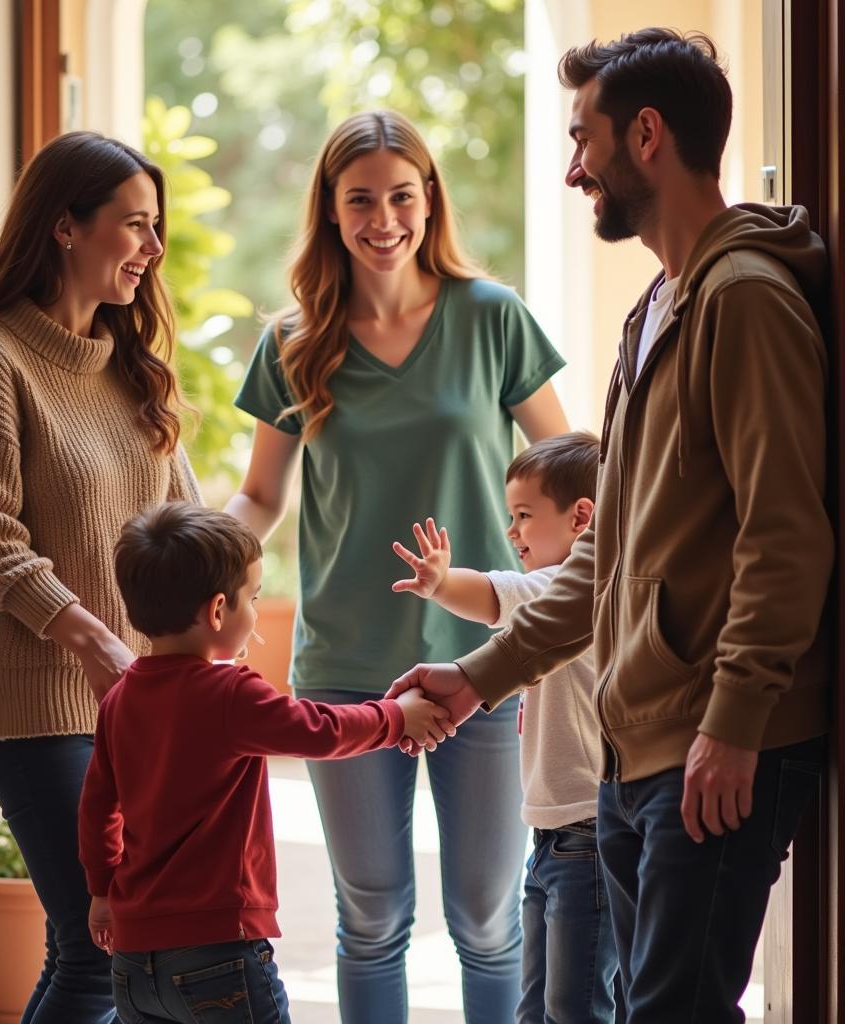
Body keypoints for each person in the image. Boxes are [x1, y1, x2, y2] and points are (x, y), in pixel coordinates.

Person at [389, 29, 832, 1024]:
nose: (570, 166)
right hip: (631, 753)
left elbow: (785, 535)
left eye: (581, 137)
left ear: (644, 135)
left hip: (710, 747)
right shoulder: (652, 312)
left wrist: (733, 719)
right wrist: (478, 676)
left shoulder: (748, 300)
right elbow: (603, 556)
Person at [226, 109, 569, 1023]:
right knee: (371, 915)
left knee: (489, 916)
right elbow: (261, 496)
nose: (385, 219)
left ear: (430, 201)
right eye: (361, 200)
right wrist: (210, 555)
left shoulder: (493, 318)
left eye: (402, 196)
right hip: (344, 662)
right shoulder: (296, 341)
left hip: (485, 659)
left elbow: (577, 471)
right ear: (331, 212)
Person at [0, 131, 202, 1023]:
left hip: (142, 702)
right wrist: (90, 637)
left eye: (155, 227)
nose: (152, 249)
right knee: (99, 949)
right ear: (64, 227)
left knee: (101, 951)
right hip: (43, 705)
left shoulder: (133, 371)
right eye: (134, 226)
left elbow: (189, 531)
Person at [78, 501, 454, 1024]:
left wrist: (102, 891)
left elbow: (98, 808)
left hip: (134, 962)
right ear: (217, 611)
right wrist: (396, 716)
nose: (255, 612)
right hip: (218, 955)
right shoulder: (230, 692)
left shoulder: (120, 698)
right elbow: (319, 729)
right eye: (252, 598)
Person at [392, 431, 621, 1024]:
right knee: (542, 1007)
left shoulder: (570, 589)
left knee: (575, 1009)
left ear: (581, 518)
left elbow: (496, 596)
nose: (512, 532)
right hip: (551, 838)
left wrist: (442, 584)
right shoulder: (561, 596)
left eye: (524, 516)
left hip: (585, 837)